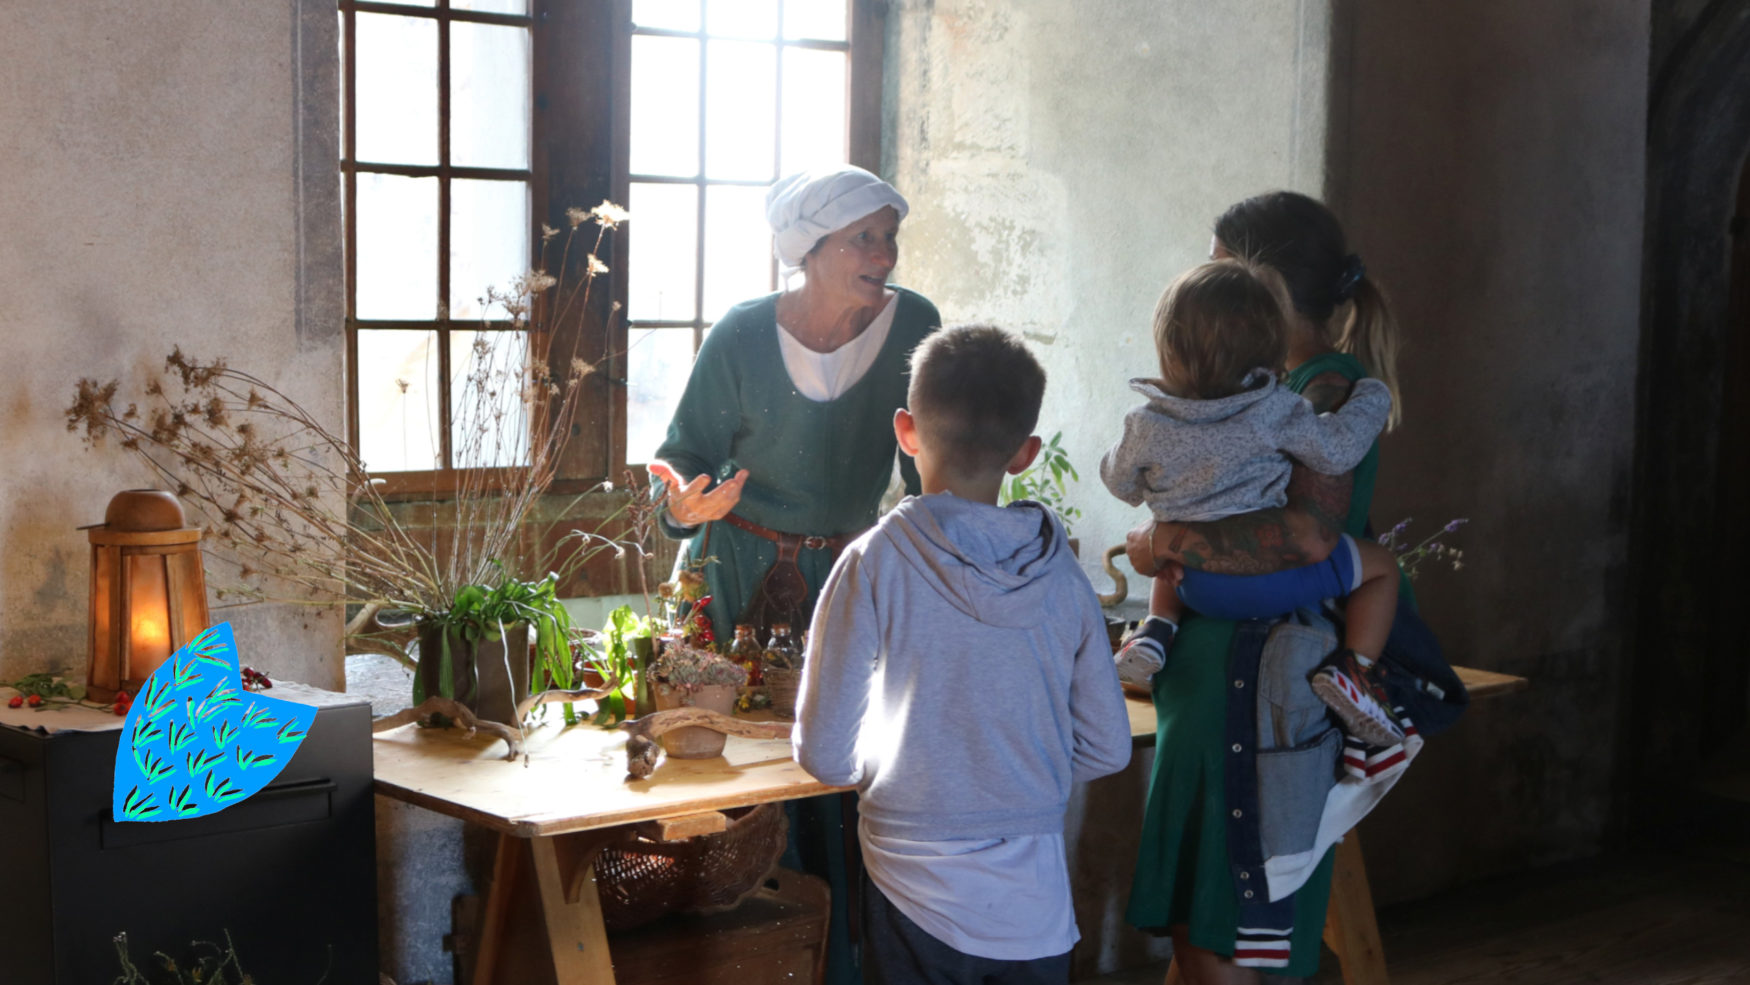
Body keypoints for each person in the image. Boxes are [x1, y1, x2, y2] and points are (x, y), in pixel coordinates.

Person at [1122, 191, 1406, 984]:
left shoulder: (1321, 389)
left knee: (1223, 932)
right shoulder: (1258, 390)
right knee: (1205, 925)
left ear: (1267, 284)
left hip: (1251, 674)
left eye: (1220, 265)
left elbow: (1303, 536)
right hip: (1219, 672)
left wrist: (1164, 540)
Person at [794, 325, 1133, 985]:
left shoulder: (873, 563)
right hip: (1034, 903)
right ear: (1025, 453)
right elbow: (1108, 747)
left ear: (906, 430)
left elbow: (827, 755)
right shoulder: (1063, 577)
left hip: (909, 884)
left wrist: (909, 778)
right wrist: (1018, 781)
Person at [1099, 259, 1405, 748]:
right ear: (1273, 349)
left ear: (1167, 346)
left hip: (1193, 585)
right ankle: (1355, 671)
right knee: (1383, 567)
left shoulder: (1145, 422)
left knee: (1173, 519)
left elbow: (1120, 484)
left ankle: (1156, 630)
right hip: (1271, 582)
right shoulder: (1274, 409)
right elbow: (1338, 449)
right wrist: (1373, 395)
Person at [647, 164, 941, 642]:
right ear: (810, 246)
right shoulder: (743, 333)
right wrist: (683, 506)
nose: (885, 255)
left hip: (849, 572)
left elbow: (927, 466)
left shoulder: (914, 323)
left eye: (890, 236)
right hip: (732, 572)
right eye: (863, 237)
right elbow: (683, 458)